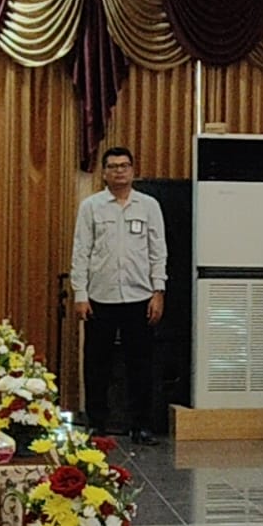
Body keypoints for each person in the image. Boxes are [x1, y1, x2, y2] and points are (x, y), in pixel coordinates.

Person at [70, 146, 167, 446]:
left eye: (124, 165)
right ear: (104, 173)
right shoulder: (91, 206)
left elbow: (158, 251)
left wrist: (158, 291)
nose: (119, 171)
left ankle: (141, 425)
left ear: (133, 170)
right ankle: (97, 424)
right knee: (96, 364)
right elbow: (81, 251)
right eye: (112, 166)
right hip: (100, 297)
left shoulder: (149, 206)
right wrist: (80, 293)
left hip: (140, 297)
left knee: (141, 364)